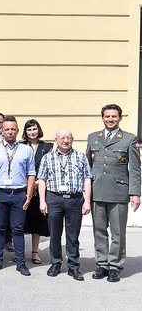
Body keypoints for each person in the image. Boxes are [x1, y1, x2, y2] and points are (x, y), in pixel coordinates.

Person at [86, 104, 141, 282]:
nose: (110, 119)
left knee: (118, 232)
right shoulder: (93, 137)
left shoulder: (129, 139)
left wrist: (135, 193)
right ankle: (102, 264)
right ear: (102, 117)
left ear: (120, 118)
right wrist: (85, 193)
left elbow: (134, 169)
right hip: (97, 191)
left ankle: (115, 266)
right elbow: (87, 167)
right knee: (99, 230)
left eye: (114, 117)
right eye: (107, 116)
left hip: (118, 192)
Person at [38, 129, 92, 281]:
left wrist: (87, 201)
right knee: (54, 234)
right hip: (54, 198)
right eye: (62, 138)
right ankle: (55, 263)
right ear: (56, 140)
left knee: (73, 236)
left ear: (72, 140)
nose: (65, 140)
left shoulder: (80, 157)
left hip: (75, 200)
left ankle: (73, 266)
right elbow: (42, 179)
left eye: (68, 137)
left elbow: (87, 179)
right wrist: (42, 201)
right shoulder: (47, 158)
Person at [0, 116, 36, 276]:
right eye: (7, 129)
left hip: (19, 194)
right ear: (1, 131)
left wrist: (28, 196)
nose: (10, 132)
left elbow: (31, 173)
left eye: (13, 129)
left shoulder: (26, 150)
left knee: (18, 229)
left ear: (17, 131)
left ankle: (20, 263)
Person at [21, 119, 52, 265]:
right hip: (22, 188)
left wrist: (37, 182)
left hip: (40, 188)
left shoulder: (48, 147)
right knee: (20, 221)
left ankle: (34, 252)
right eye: (29, 130)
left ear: (38, 130)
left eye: (34, 129)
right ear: (25, 132)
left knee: (37, 222)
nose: (32, 132)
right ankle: (19, 252)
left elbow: (50, 168)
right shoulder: (20, 146)